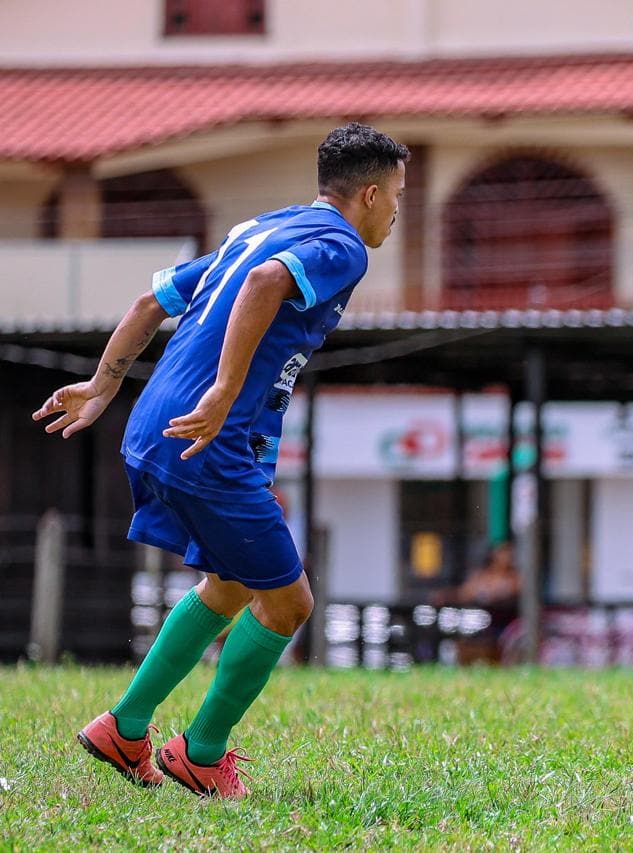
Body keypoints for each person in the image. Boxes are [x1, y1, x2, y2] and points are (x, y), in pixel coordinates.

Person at [33, 122, 409, 798]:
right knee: (290, 603)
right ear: (372, 194)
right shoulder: (342, 245)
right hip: (210, 437)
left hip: (153, 426)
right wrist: (227, 389)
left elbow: (153, 299)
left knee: (232, 586)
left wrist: (103, 383)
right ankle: (201, 753)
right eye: (399, 198)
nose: (397, 212)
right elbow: (266, 284)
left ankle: (125, 726)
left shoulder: (262, 226)